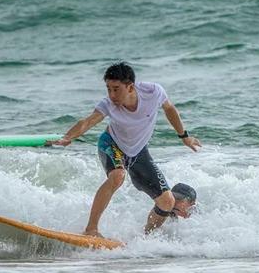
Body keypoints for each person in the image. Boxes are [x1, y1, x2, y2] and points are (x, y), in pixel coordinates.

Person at [47, 61, 201, 236]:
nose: (111, 94)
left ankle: (147, 238)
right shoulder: (108, 104)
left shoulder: (153, 92)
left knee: (167, 201)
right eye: (108, 88)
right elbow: (88, 122)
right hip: (112, 144)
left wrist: (184, 137)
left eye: (116, 88)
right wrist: (68, 137)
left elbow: (170, 109)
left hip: (138, 152)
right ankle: (91, 229)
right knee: (118, 176)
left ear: (130, 87)